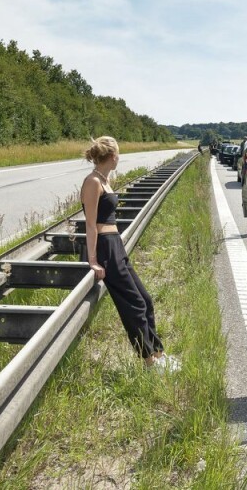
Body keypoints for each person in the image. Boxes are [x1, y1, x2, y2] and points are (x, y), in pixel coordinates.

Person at [81, 136, 179, 372]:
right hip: (105, 247)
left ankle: (158, 353)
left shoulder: (105, 179)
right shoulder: (92, 182)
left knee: (144, 299)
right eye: (118, 154)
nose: (119, 158)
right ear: (112, 156)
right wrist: (93, 260)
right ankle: (148, 362)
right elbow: (91, 224)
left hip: (116, 244)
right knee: (133, 304)